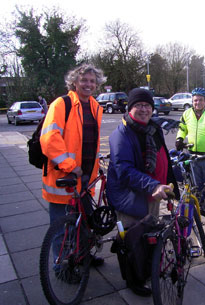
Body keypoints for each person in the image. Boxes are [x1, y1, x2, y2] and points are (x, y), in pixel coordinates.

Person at [106, 88, 180, 296]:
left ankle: (145, 270)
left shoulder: (152, 129)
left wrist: (169, 183)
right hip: (131, 197)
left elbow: (163, 157)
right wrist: (153, 185)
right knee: (131, 239)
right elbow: (125, 171)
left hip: (152, 193)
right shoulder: (121, 135)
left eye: (147, 105)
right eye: (138, 105)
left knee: (148, 236)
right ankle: (133, 280)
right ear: (130, 108)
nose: (144, 109)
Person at [40, 63, 107, 270]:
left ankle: (83, 256)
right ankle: (61, 267)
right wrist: (70, 166)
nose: (88, 84)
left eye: (92, 81)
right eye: (84, 80)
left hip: (86, 178)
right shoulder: (62, 104)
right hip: (64, 177)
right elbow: (49, 138)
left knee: (85, 222)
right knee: (62, 227)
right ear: (74, 82)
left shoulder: (95, 106)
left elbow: (90, 140)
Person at [175, 87, 205, 217]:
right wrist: (179, 138)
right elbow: (182, 128)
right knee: (196, 186)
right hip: (193, 155)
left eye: (201, 100)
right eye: (195, 100)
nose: (198, 103)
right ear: (192, 101)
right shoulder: (187, 114)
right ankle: (201, 209)